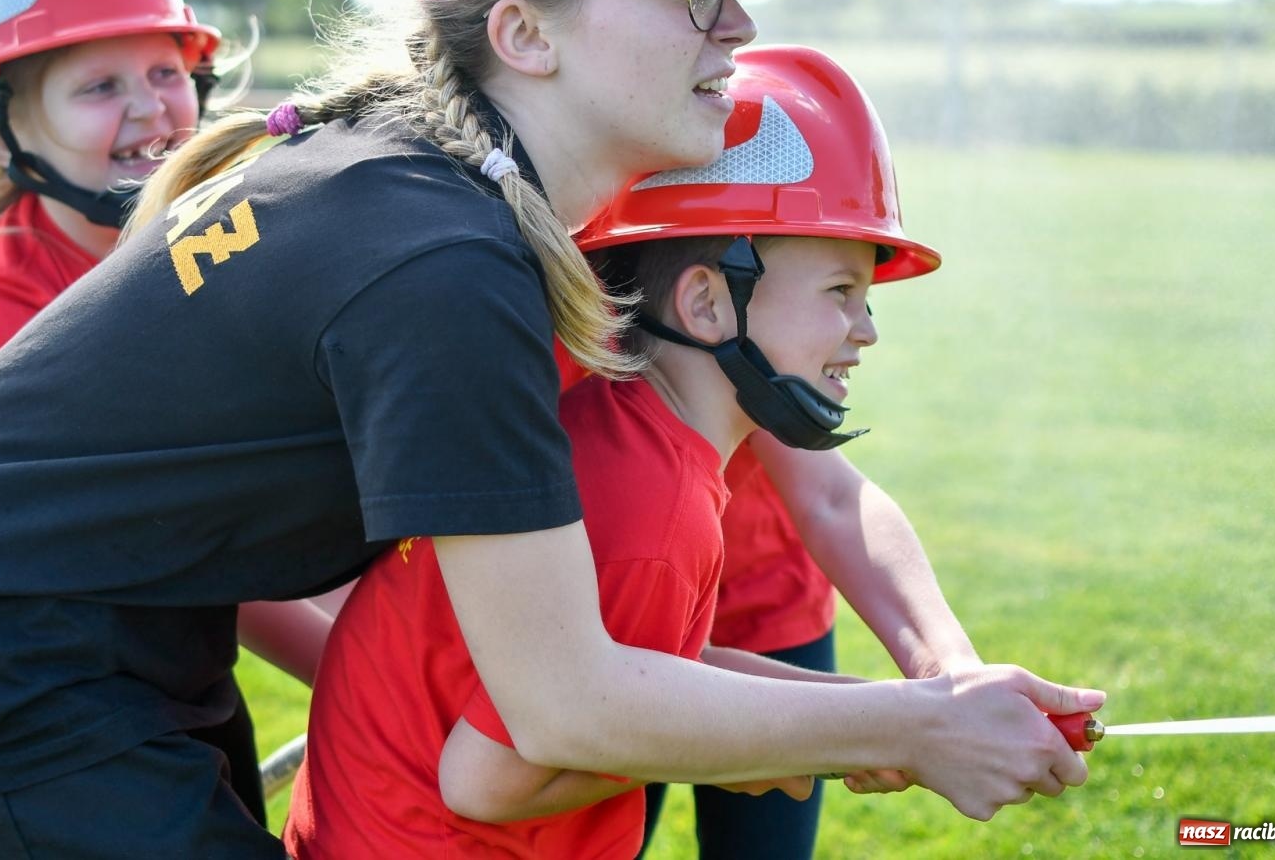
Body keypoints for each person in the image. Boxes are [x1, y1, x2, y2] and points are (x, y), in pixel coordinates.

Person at [0, 0, 1102, 857]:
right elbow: (558, 705)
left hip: (101, 634)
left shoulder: (443, 205)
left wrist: (897, 702)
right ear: (522, 33)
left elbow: (544, 671)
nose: (738, 28)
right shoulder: (441, 260)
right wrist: (905, 725)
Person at [284, 44, 942, 857]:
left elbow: (655, 663)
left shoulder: (633, 438)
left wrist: (860, 715)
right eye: (842, 293)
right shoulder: (650, 508)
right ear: (707, 301)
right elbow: (484, 780)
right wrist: (785, 739)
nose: (867, 330)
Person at [0, 0, 329, 826]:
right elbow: (206, 535)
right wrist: (364, 672)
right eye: (98, 86)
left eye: (164, 72)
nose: (153, 110)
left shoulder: (212, 244)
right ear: (1, 130)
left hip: (155, 638)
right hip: (7, 692)